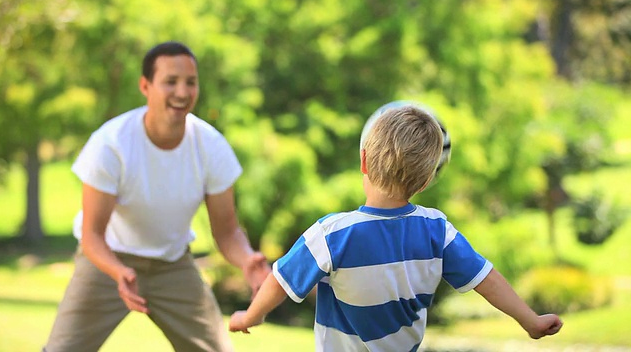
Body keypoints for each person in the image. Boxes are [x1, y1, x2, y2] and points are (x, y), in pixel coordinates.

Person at [228, 105, 563, 351]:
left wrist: (251, 316)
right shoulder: (436, 230)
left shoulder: (332, 235)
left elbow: (280, 282)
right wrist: (529, 320)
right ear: (428, 179)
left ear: (363, 161)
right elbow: (485, 278)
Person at [44, 41, 271, 352]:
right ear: (145, 86)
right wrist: (118, 271)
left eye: (190, 82)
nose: (182, 92)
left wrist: (247, 260)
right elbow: (92, 235)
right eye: (170, 81)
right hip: (108, 260)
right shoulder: (111, 144)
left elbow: (227, 231)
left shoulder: (211, 146)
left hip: (172, 264)